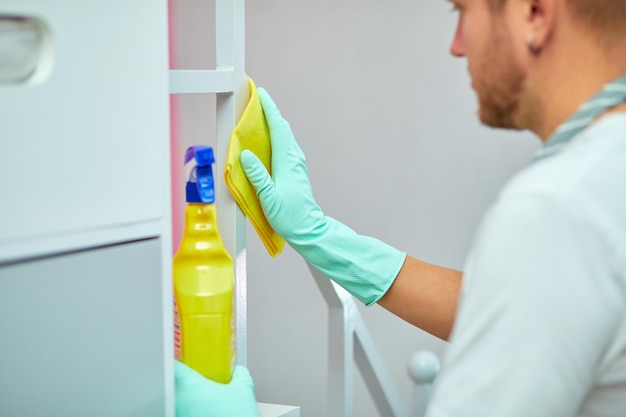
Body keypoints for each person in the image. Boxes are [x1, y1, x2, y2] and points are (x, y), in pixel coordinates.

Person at [176, 0, 626, 415]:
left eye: (462, 11)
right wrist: (319, 234)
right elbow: (522, 308)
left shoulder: (557, 208)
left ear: (534, 14)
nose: (456, 46)